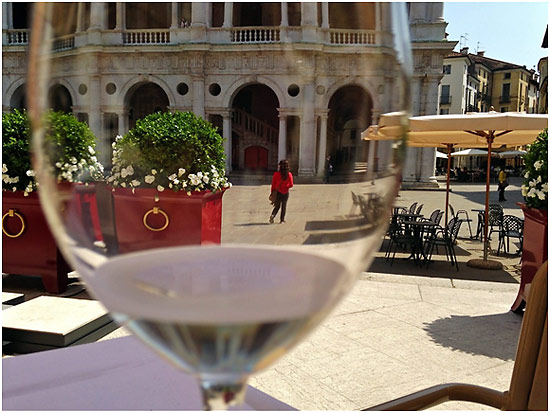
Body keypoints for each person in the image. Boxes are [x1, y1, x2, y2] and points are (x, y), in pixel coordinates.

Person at [269, 159, 293, 224]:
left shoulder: (276, 174)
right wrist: (286, 186)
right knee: (283, 206)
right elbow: (291, 184)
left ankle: (273, 215)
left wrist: (272, 192)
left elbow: (273, 184)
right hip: (285, 192)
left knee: (277, 206)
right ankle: (282, 220)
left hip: (278, 192)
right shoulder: (289, 174)